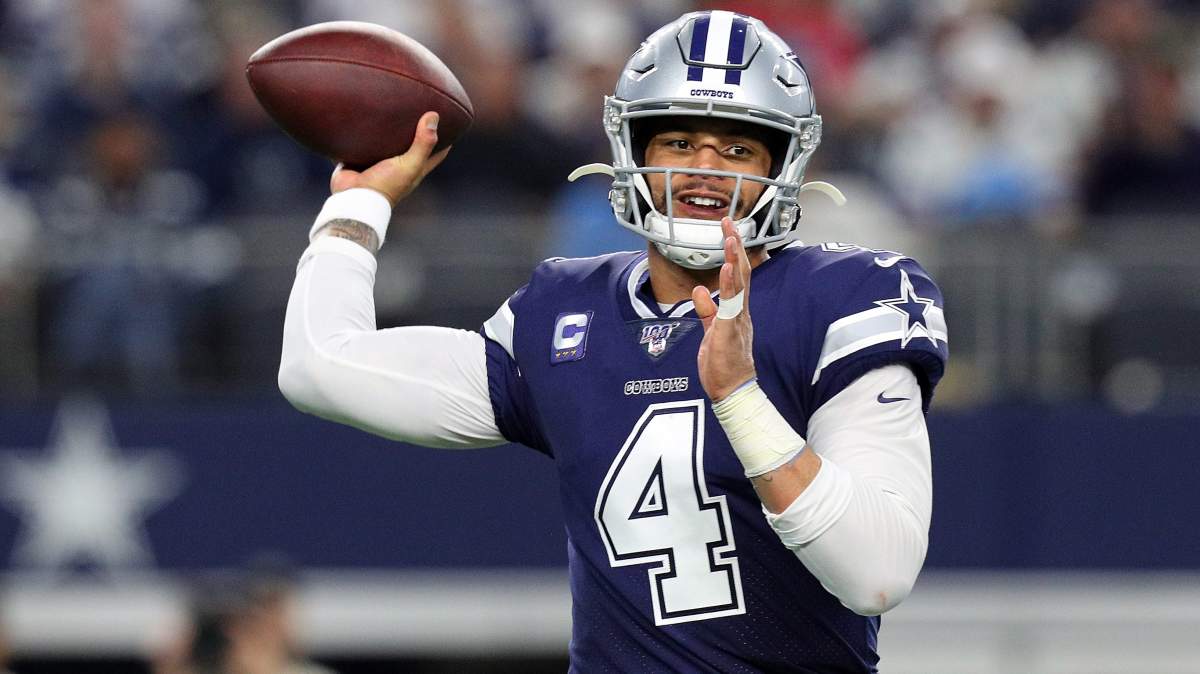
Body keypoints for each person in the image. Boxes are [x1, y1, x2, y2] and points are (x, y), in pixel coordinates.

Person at [280, 10, 947, 673]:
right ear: (634, 152)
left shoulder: (844, 299)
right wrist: (358, 204)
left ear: (785, 164)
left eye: (738, 149)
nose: (705, 169)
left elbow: (877, 572)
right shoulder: (565, 311)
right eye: (679, 142)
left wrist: (740, 398)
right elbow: (320, 366)